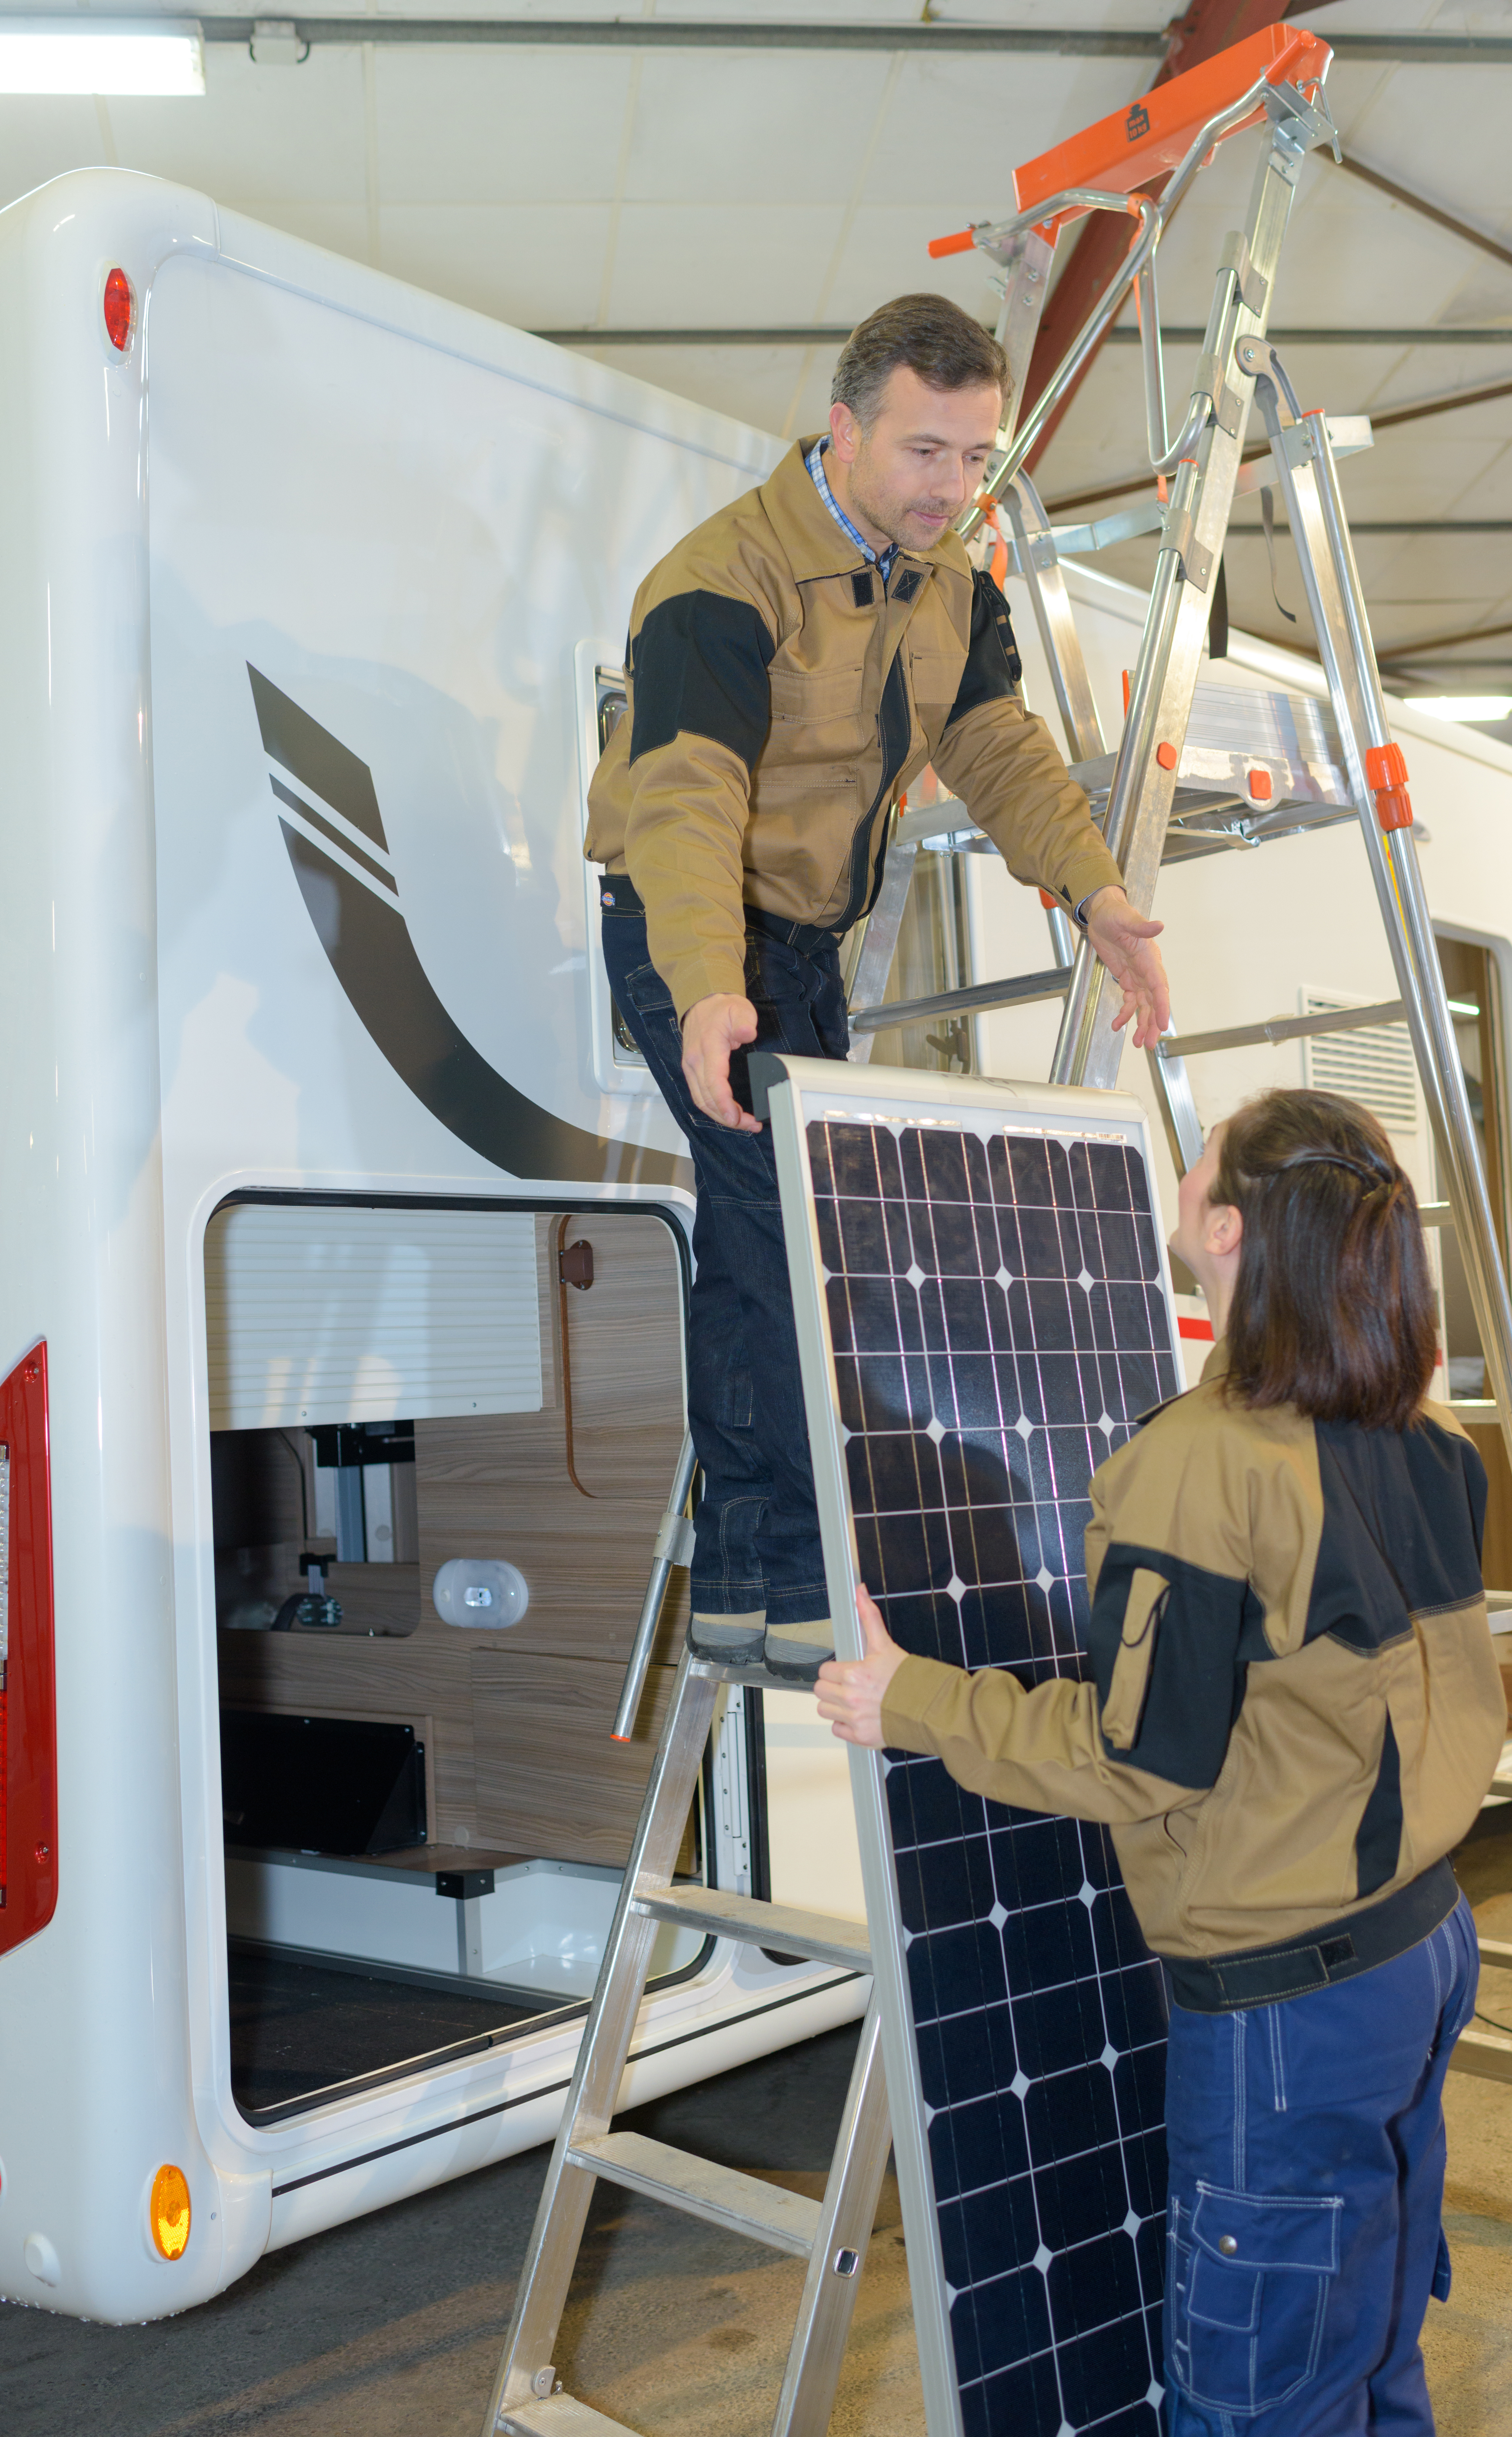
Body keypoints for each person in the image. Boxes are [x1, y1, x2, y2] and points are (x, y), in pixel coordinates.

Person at [817, 1087, 1507, 2436]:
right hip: (1420, 1949)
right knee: (1369, 2346)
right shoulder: (1424, 1439)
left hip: (1292, 2005)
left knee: (1260, 2397)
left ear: (1230, 1227)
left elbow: (1141, 1761)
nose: (1179, 1179)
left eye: (1199, 1163)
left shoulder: (1203, 1464)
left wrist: (916, 1701)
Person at [587, 292, 1170, 1683]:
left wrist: (1098, 896)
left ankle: (743, 1576)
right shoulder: (719, 580)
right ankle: (809, 1580)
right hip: (689, 928)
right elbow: (684, 800)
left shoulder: (950, 586)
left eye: (974, 458)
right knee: (793, 1237)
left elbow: (1002, 755)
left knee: (755, 1239)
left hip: (801, 949)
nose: (950, 488)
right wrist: (707, 987)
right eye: (924, 452)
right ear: (843, 430)